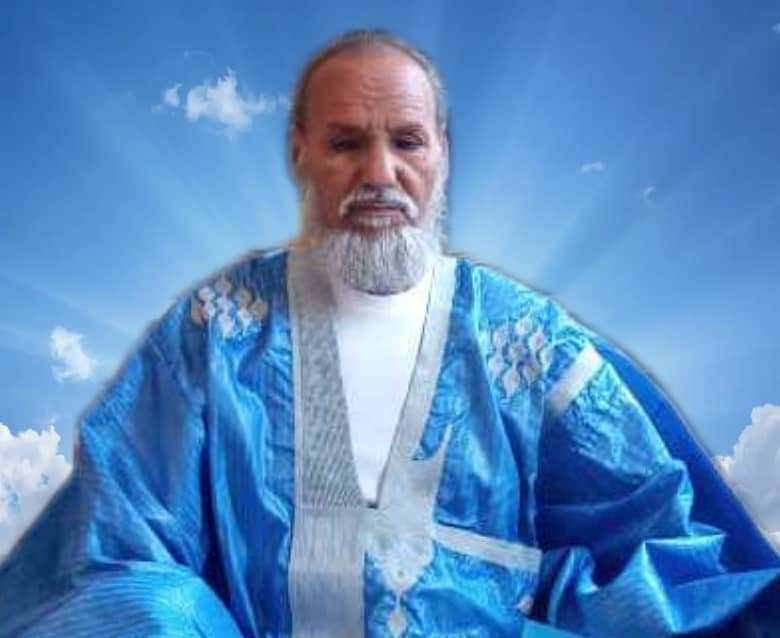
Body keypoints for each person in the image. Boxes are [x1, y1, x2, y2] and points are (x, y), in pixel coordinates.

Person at [1, 30, 778, 638]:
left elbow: (662, 548)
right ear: (300, 152)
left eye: (406, 141)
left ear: (442, 153)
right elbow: (121, 548)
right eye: (346, 143)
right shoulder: (217, 331)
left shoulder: (530, 344)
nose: (379, 173)